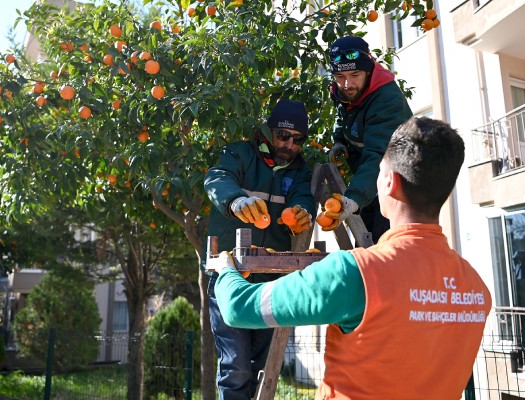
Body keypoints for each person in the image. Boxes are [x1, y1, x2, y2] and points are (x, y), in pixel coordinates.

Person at [213, 117, 492, 399]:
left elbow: (239, 307)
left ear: (389, 182)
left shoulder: (356, 272)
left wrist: (225, 269)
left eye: (379, 171)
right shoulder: (476, 290)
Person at [203, 98, 317, 400]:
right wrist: (236, 201)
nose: (290, 144)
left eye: (298, 139)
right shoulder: (239, 153)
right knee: (236, 366)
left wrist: (302, 213)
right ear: (267, 131)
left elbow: (303, 197)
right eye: (283, 135)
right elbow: (217, 178)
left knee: (263, 367)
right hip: (230, 276)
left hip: (272, 282)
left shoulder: (300, 170)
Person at [322, 36, 413, 243]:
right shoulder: (343, 90)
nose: (347, 83)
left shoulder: (387, 99)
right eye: (339, 76)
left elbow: (380, 157)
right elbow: (342, 116)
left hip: (398, 185)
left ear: (369, 70)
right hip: (369, 181)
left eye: (355, 74)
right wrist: (339, 141)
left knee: (385, 250)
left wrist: (353, 198)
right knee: (363, 247)